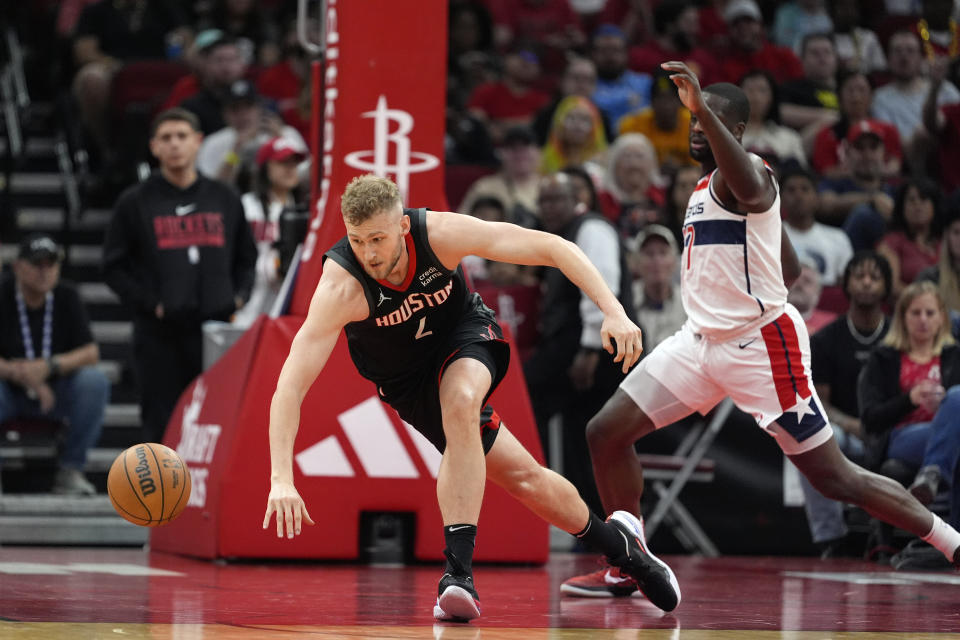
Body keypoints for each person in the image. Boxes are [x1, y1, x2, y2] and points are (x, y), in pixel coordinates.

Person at [563, 61, 960, 598]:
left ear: (737, 131)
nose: (697, 127)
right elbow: (789, 269)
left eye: (708, 120)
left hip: (760, 345)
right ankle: (627, 561)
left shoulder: (749, 170)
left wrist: (703, 105)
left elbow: (752, 191)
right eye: (693, 121)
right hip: (699, 342)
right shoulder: (704, 187)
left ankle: (951, 542)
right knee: (605, 434)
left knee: (835, 478)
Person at [261, 174, 681, 621]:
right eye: (358, 240)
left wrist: (613, 310)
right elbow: (290, 384)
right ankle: (623, 548)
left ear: (403, 227)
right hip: (409, 384)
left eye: (378, 239)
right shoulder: (340, 289)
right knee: (525, 479)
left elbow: (552, 247)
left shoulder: (439, 234)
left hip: (464, 337)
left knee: (460, 399)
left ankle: (457, 575)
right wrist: (281, 478)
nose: (369, 253)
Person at [103, 108, 257, 444]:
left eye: (182, 137)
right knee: (162, 425)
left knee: (216, 421)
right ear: (154, 147)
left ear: (198, 142)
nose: (175, 145)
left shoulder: (224, 197)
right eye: (166, 138)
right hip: (159, 335)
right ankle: (161, 497)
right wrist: (150, 304)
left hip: (215, 332)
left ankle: (208, 498)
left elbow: (247, 257)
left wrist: (239, 296)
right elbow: (114, 267)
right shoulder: (135, 201)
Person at [523, 173, 635, 517]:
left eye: (557, 199)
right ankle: (589, 523)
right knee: (581, 436)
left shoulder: (591, 229)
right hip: (578, 344)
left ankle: (534, 501)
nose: (549, 208)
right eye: (543, 201)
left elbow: (601, 287)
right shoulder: (560, 236)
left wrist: (589, 350)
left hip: (595, 346)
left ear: (578, 198)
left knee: (524, 397)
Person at [0, 234, 111, 495]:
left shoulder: (66, 295)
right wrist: (20, 372)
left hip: (55, 393)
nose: (45, 271)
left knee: (94, 382)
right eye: (37, 264)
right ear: (18, 266)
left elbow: (91, 352)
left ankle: (70, 470)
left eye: (51, 264)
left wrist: (48, 367)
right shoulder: (3, 294)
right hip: (9, 391)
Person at [805, 251, 891, 556]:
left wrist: (879, 425)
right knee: (811, 440)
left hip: (889, 432)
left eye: (875, 277)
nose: (867, 283)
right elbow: (820, 403)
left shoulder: (898, 335)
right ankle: (830, 539)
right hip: (848, 435)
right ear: (847, 284)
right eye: (860, 276)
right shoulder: (827, 339)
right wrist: (854, 425)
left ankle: (902, 539)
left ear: (887, 286)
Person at [859, 281, 960, 506]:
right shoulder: (883, 358)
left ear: (942, 318)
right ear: (903, 317)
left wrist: (945, 406)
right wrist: (910, 400)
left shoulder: (956, 355)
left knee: (955, 397)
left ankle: (932, 480)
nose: (923, 319)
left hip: (947, 431)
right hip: (901, 437)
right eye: (915, 312)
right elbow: (870, 419)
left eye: (929, 312)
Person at [232, 137, 309, 328]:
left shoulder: (305, 211)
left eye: (295, 163)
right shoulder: (246, 206)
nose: (290, 169)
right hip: (249, 299)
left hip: (284, 297)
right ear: (265, 167)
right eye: (283, 163)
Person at [780, 166, 853, 287]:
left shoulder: (838, 238)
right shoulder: (770, 237)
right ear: (780, 199)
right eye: (791, 190)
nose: (798, 195)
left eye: (805, 189)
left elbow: (845, 287)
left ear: (816, 198)